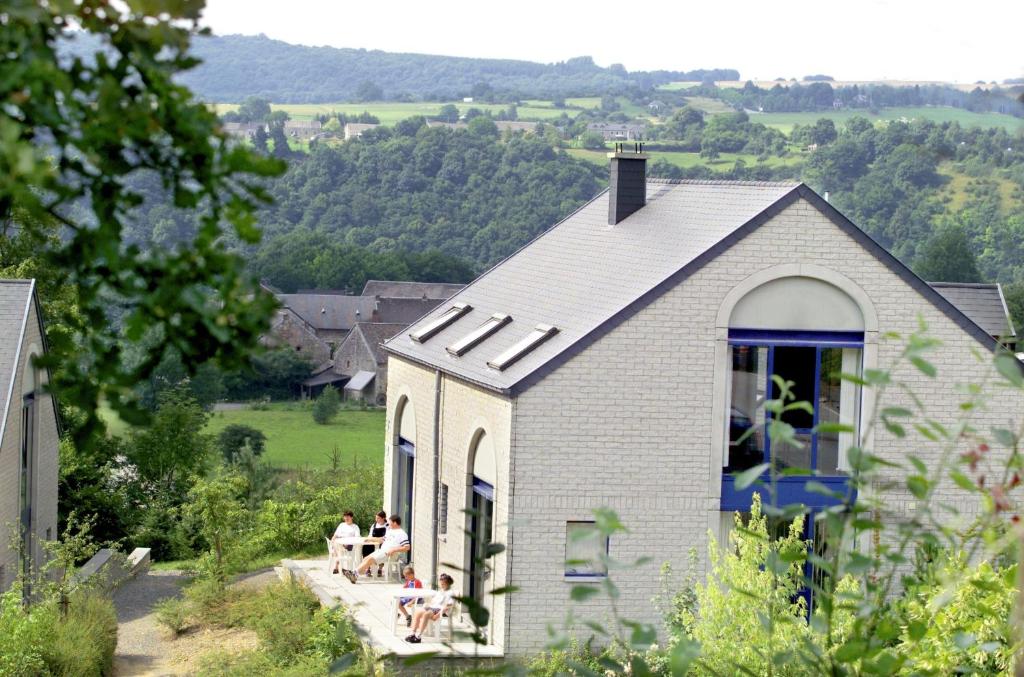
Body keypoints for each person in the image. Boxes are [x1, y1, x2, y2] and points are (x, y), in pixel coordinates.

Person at [343, 514, 409, 583]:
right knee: (366, 558)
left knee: (371, 559)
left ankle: (353, 574)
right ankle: (355, 574)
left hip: (390, 554)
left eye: (390, 522)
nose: (388, 523)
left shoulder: (402, 533)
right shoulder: (390, 531)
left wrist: (393, 550)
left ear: (395, 523)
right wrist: (370, 539)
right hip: (382, 551)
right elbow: (382, 540)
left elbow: (407, 547)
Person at [405, 573, 454, 643]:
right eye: (441, 584)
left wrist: (437, 615)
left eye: (443, 584)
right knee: (417, 612)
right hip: (433, 608)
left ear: (448, 584)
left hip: (440, 610)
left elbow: (448, 606)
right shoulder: (441, 591)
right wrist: (427, 605)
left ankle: (418, 636)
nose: (441, 585)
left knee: (426, 615)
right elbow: (434, 602)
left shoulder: (450, 593)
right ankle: (413, 634)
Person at [362, 511, 388, 577]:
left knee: (382, 550)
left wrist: (373, 539)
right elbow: (370, 536)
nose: (376, 520)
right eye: (376, 518)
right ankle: (368, 568)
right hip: (372, 543)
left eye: (378, 518)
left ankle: (380, 569)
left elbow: (383, 539)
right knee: (366, 547)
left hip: (382, 544)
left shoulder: (387, 526)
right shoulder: (374, 525)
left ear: (383, 518)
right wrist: (371, 539)